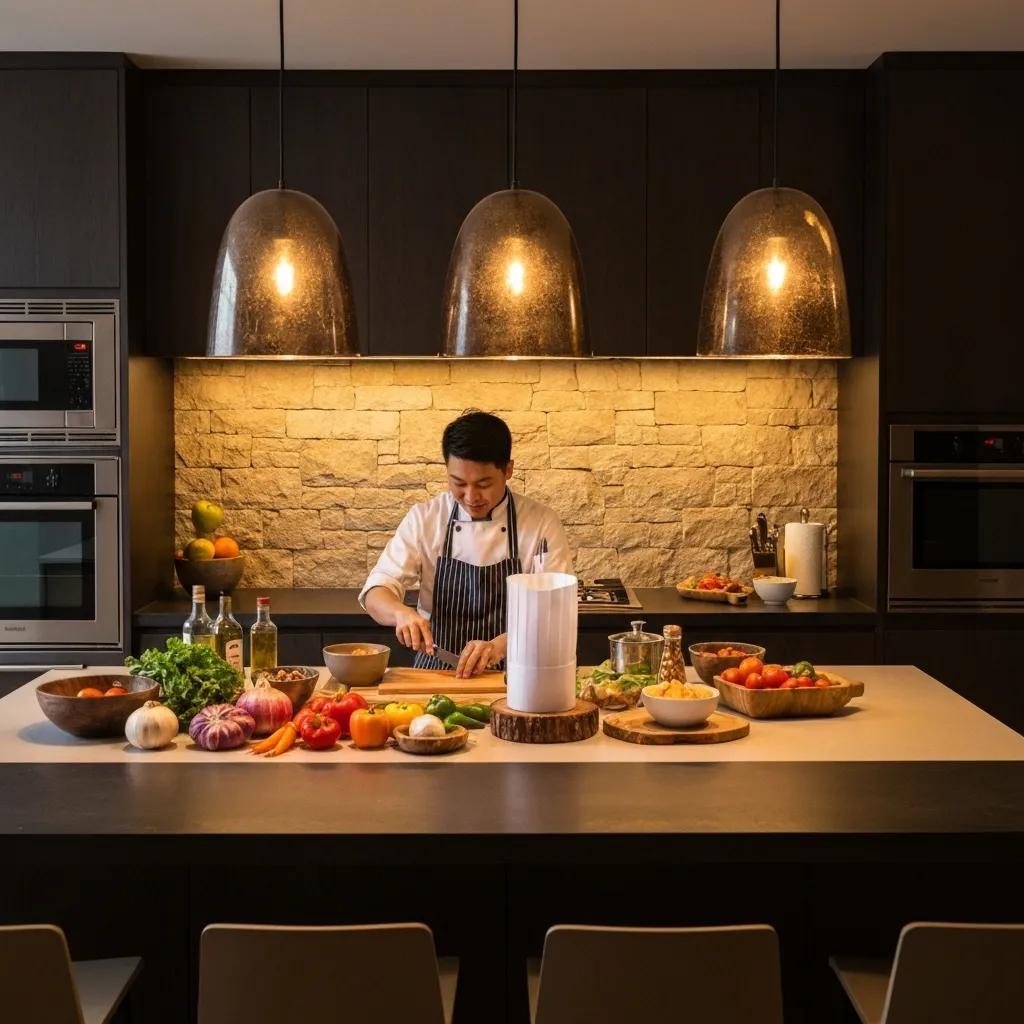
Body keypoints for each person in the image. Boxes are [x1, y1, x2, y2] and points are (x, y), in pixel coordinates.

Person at [360, 410, 571, 677]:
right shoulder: (426, 518)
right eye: (458, 483)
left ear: (508, 470)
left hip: (514, 673)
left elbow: (556, 610)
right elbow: (376, 590)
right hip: (436, 671)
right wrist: (400, 613)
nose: (471, 497)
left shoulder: (541, 523)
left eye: (483, 483)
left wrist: (501, 645)